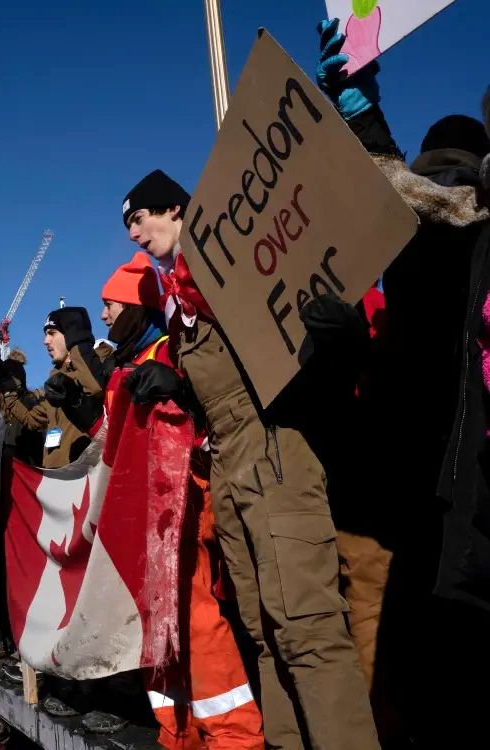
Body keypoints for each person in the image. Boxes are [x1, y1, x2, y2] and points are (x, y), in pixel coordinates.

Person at [119, 169, 378, 748]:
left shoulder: (231, 267)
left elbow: (288, 349)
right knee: (263, 632)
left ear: (176, 211)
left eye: (139, 218)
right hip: (231, 464)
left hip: (274, 450)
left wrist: (342, 335)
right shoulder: (182, 305)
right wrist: (178, 387)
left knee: (307, 628)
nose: (134, 233)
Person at [316, 21, 490, 748]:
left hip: (438, 492)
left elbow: (387, 178)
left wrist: (359, 103)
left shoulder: (430, 236)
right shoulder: (442, 233)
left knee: (426, 678)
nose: (442, 191)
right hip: (441, 490)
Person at [99, 254, 263, 748]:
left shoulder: (173, 353)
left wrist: (182, 391)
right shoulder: (124, 370)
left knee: (197, 625)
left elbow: (214, 417)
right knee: (161, 637)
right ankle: (179, 732)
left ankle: (234, 736)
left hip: (185, 511)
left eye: (110, 305)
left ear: (133, 306)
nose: (105, 315)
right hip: (148, 525)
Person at [0, 306, 109, 468]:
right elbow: (32, 419)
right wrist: (8, 389)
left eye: (52, 333)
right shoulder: (55, 381)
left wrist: (79, 345)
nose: (45, 341)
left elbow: (94, 388)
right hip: (56, 479)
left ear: (71, 335)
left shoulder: (103, 365)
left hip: (85, 479)